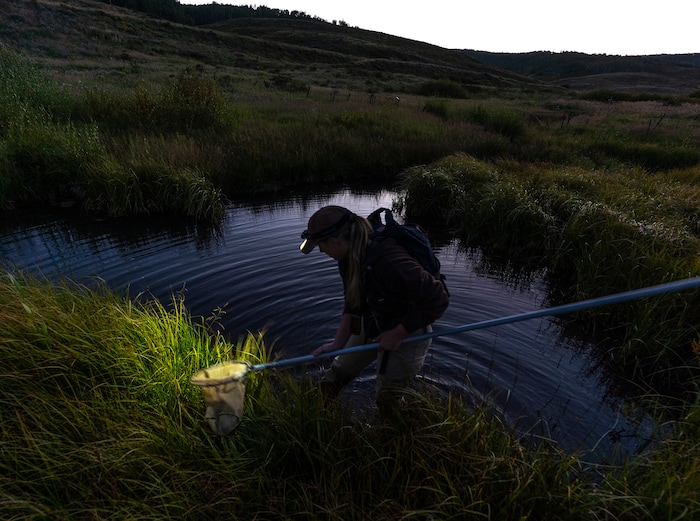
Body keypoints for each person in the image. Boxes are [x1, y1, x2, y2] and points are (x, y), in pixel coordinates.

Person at [299, 205, 449, 410]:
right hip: (374, 322)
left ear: (335, 241)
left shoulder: (388, 260)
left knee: (388, 401)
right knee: (333, 380)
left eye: (320, 245)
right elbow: (352, 303)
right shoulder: (345, 259)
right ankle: (321, 422)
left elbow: (438, 298)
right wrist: (337, 343)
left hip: (410, 331)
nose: (321, 250)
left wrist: (397, 333)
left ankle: (407, 434)